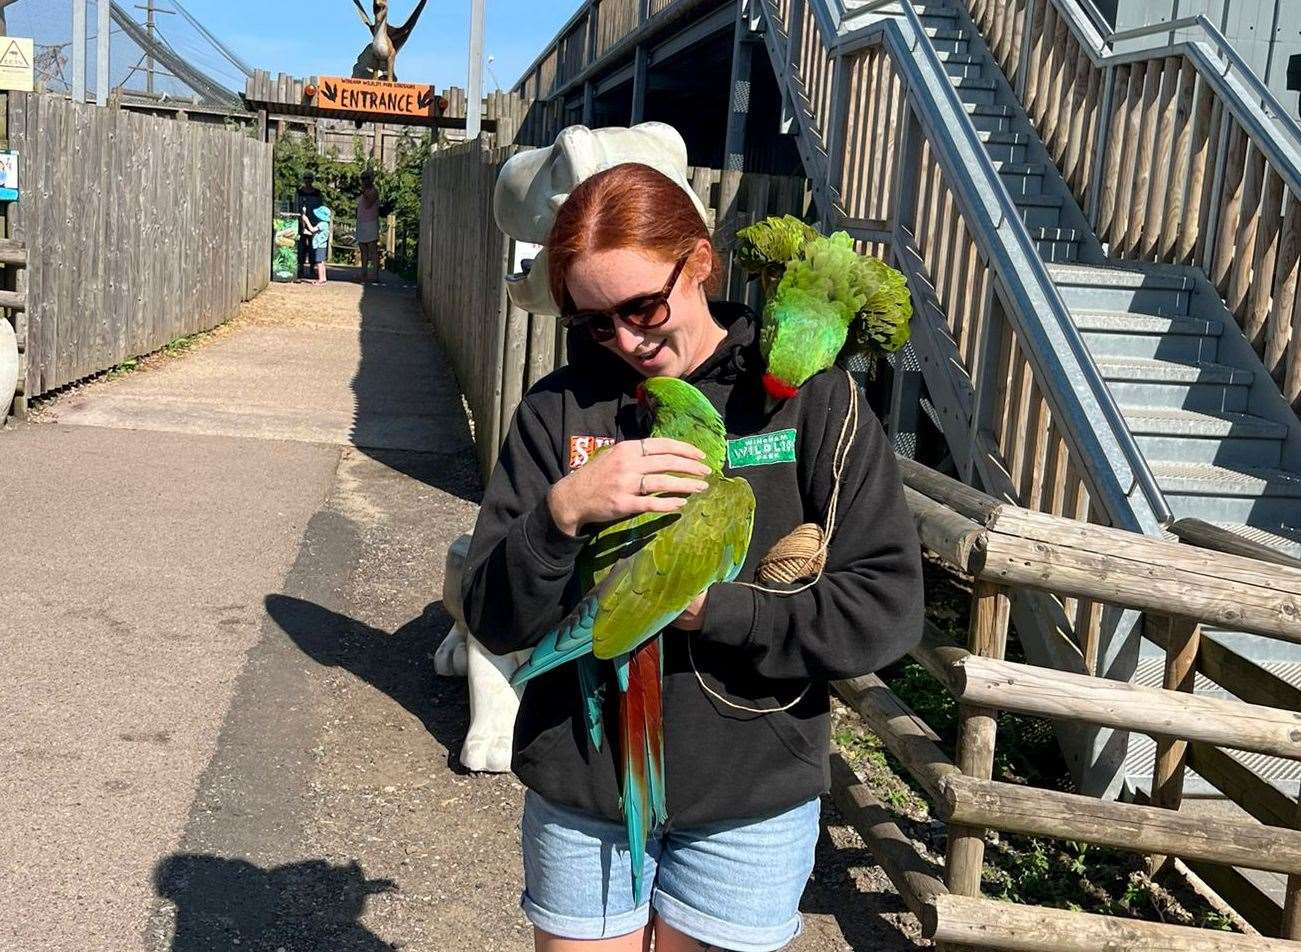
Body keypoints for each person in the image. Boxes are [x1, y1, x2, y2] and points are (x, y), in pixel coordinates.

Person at [460, 160, 924, 951]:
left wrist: (713, 608)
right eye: (593, 321)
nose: (627, 341)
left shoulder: (810, 396)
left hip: (750, 796)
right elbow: (492, 617)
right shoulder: (559, 408)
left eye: (642, 306)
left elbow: (885, 610)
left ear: (699, 261)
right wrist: (561, 512)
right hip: (584, 783)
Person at [296, 173, 323, 280]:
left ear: (312, 180)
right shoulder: (299, 192)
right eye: (305, 178)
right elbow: (296, 204)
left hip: (314, 220)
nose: (307, 180)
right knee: (301, 245)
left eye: (309, 178)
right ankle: (300, 267)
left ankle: (312, 268)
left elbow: (320, 206)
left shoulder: (317, 193)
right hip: (302, 220)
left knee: (313, 245)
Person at [357, 169, 381, 285]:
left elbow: (369, 203)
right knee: (363, 249)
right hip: (362, 223)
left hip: (371, 223)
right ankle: (364, 273)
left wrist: (364, 192)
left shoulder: (373, 191)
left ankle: (375, 275)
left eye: (366, 178)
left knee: (372, 250)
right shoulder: (364, 192)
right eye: (362, 179)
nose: (364, 181)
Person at [302, 205, 331, 285]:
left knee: (319, 262)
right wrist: (306, 232)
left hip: (319, 246)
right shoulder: (325, 224)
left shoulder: (322, 224)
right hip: (322, 246)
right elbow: (315, 233)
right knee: (321, 262)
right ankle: (323, 278)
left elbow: (312, 229)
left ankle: (321, 279)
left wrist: (306, 220)